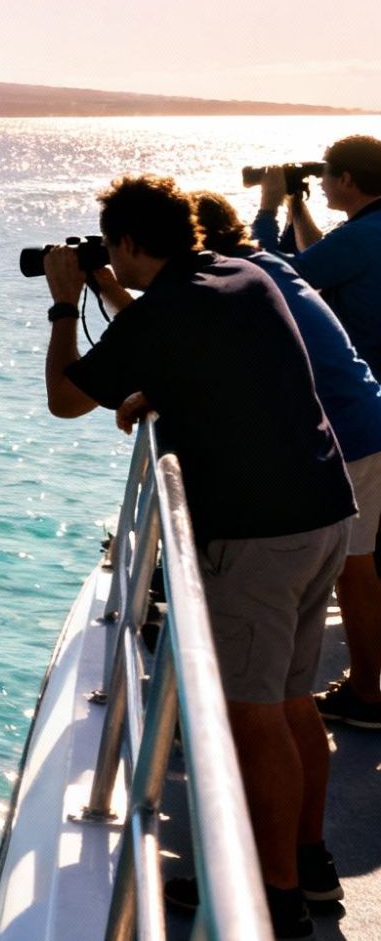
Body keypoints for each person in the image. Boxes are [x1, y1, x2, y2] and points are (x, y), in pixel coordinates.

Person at [42, 175, 354, 937]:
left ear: (124, 242)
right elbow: (214, 359)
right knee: (289, 701)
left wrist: (61, 303)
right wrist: (158, 381)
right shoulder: (239, 274)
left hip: (255, 536)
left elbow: (66, 397)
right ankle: (310, 863)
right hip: (323, 510)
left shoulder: (171, 309)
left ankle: (275, 895)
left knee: (252, 717)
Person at [196, 191, 381, 729]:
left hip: (343, 432)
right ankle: (366, 689)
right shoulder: (266, 263)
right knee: (357, 563)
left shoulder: (231, 282)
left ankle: (364, 693)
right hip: (365, 415)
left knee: (348, 565)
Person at [254, 135, 381, 368]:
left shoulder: (360, 235)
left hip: (365, 377)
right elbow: (319, 256)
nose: (320, 183)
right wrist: (295, 201)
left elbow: (275, 274)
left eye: (324, 174)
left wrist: (268, 208)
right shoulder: (370, 225)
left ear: (345, 179)